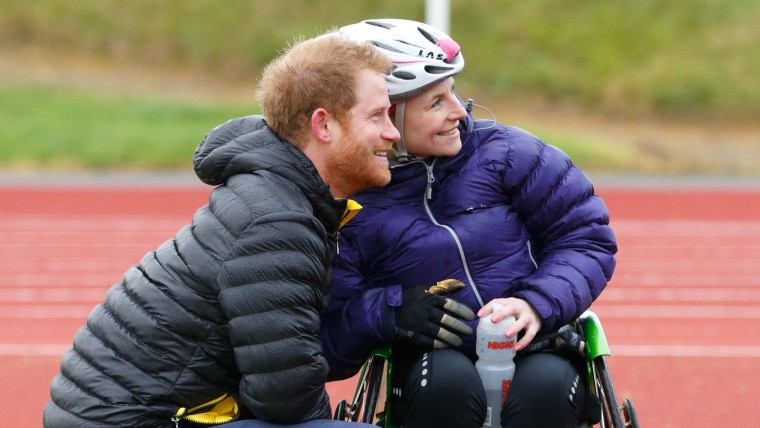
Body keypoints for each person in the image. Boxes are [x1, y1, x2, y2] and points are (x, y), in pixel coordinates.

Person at [43, 32, 399, 428]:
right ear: (323, 125)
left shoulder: (283, 197)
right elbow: (285, 399)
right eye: (377, 116)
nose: (393, 132)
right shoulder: (276, 222)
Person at [320, 19, 618, 428]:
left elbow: (586, 238)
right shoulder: (346, 204)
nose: (460, 111)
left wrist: (537, 302)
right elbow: (332, 337)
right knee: (446, 386)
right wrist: (393, 311)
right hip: (432, 365)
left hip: (540, 343)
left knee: (545, 390)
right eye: (436, 103)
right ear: (383, 116)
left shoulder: (509, 152)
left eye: (453, 93)